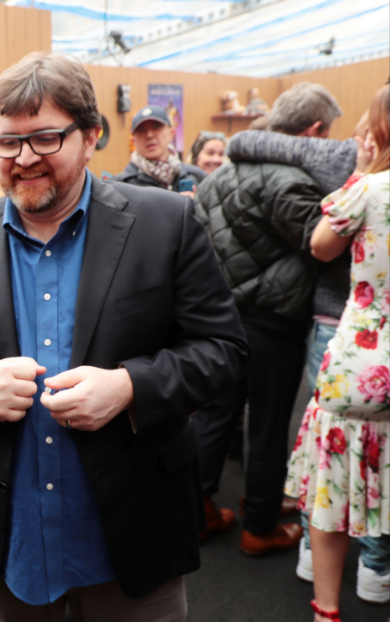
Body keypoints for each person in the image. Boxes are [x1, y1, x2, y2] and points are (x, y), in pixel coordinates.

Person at [0, 51, 249, 622]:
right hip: (4, 535)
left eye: (44, 139)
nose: (23, 158)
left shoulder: (167, 223)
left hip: (131, 530)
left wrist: (129, 387)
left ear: (91, 137)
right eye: (7, 142)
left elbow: (225, 351)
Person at [193, 81, 344, 554]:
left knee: (216, 415)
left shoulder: (219, 175)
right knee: (268, 424)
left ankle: (197, 512)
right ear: (315, 130)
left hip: (218, 318)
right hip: (273, 324)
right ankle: (259, 525)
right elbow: (323, 250)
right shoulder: (291, 181)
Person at [285, 84, 390, 621]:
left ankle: (326, 611)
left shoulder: (369, 189)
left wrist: (363, 170)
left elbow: (322, 245)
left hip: (364, 363)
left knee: (332, 487)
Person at [116, 104, 205, 196]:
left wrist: (196, 206)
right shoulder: (120, 185)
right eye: (142, 130)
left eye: (156, 127)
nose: (149, 135)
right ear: (133, 141)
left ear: (172, 133)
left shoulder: (198, 177)